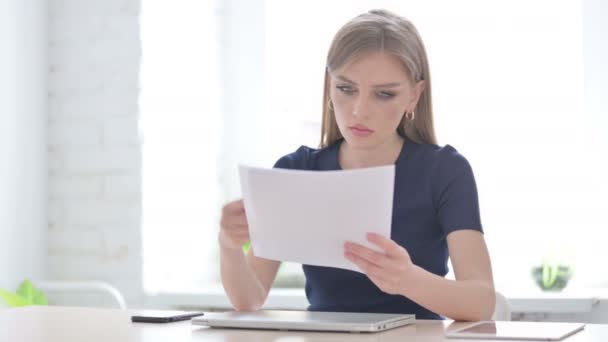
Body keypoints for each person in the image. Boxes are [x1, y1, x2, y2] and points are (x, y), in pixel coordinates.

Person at [219, 9, 495, 321]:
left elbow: (481, 302)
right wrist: (229, 247)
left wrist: (407, 279)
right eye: (346, 89)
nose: (359, 111)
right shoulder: (297, 170)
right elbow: (250, 298)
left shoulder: (444, 171)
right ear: (329, 85)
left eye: (384, 94)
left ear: (414, 96)